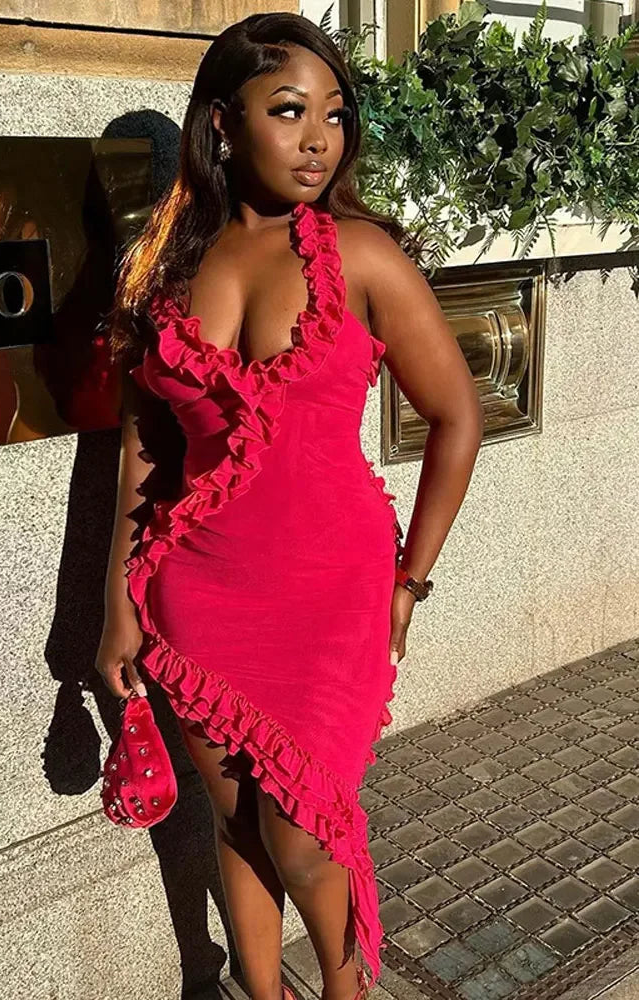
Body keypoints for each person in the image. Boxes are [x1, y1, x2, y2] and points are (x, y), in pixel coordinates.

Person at [96, 12, 483, 1000]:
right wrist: (118, 606)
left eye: (335, 115)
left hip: (331, 591)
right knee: (236, 825)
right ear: (223, 125)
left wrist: (411, 579)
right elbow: (143, 447)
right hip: (196, 590)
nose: (320, 139)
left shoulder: (361, 256)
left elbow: (457, 417)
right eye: (288, 111)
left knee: (304, 839)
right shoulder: (166, 267)